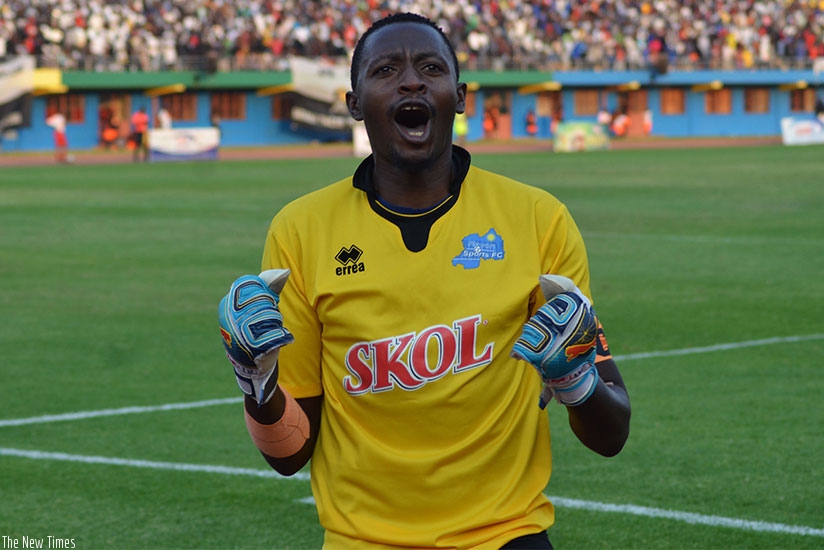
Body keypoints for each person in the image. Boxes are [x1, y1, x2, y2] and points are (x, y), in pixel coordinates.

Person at [217, 12, 631, 549]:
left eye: (430, 68)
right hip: (361, 541)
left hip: (507, 535)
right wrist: (257, 383)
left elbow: (612, 434)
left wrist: (576, 378)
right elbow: (290, 454)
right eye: (386, 69)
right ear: (354, 103)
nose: (411, 80)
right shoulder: (300, 231)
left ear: (458, 96)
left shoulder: (537, 218)